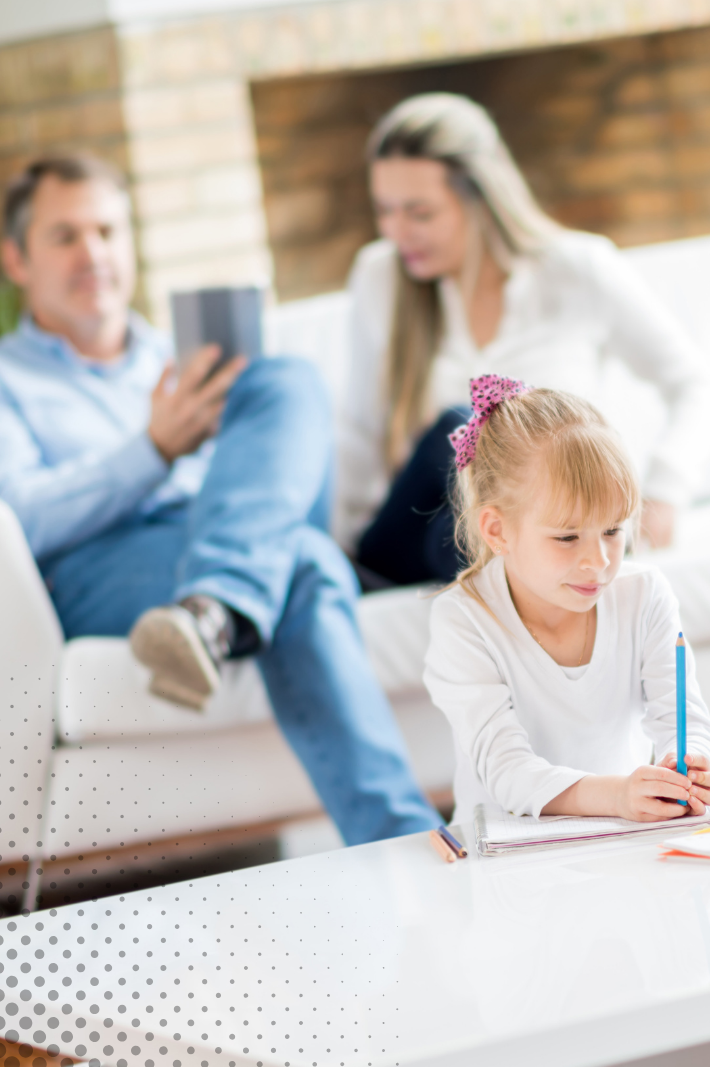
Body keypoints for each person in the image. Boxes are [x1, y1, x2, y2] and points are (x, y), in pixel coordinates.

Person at [0, 153, 440, 845]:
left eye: (108, 233)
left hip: (219, 532)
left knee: (286, 378)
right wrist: (154, 449)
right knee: (304, 560)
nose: (94, 253)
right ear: (16, 260)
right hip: (102, 563)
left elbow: (271, 465)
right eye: (66, 236)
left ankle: (210, 608)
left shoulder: (176, 359)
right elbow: (21, 517)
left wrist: (223, 444)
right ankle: (403, 839)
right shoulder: (8, 380)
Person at [339, 92, 710, 587]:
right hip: (418, 527)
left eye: (420, 213)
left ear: (480, 198)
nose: (397, 232)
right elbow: (357, 430)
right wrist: (339, 543)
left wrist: (665, 492)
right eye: (384, 211)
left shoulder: (577, 270)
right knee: (467, 429)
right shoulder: (380, 277)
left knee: (494, 518)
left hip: (532, 530)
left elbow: (694, 382)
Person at [422, 374, 710, 821]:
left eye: (613, 531)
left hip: (617, 839)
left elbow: (685, 717)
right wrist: (618, 796)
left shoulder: (644, 594)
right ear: (498, 531)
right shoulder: (463, 620)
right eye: (567, 537)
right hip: (507, 858)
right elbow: (507, 771)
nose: (598, 561)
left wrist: (694, 758)